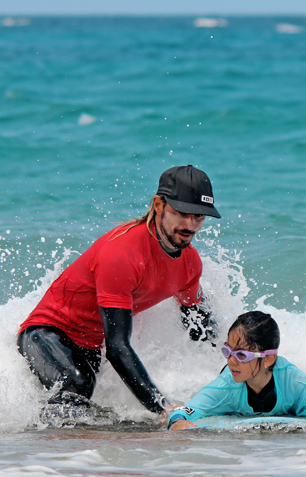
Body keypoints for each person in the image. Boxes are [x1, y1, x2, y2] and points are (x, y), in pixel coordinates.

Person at [17, 165, 220, 418]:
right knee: (78, 383)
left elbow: (198, 324)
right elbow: (117, 347)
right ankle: (44, 452)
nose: (190, 225)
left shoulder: (190, 264)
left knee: (97, 410)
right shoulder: (123, 254)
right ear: (158, 205)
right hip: (46, 333)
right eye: (182, 213)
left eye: (199, 217)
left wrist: (224, 366)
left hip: (91, 346)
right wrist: (163, 409)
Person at [167, 311, 306, 430]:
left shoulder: (293, 382)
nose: (231, 361)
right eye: (227, 351)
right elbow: (184, 413)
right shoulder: (226, 385)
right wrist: (177, 422)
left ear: (269, 358)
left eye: (241, 355)